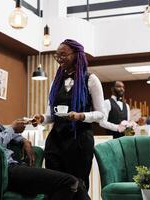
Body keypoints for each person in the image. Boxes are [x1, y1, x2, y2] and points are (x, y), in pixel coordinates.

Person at [0, 76, 88, 200]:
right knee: (70, 183)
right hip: (4, 171)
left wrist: (24, 140)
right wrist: (12, 128)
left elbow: (5, 132)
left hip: (12, 166)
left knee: (77, 184)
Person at [35, 39, 104, 193]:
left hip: (79, 140)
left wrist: (81, 116)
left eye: (63, 55)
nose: (59, 59)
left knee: (77, 186)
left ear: (76, 55)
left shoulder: (91, 79)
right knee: (54, 184)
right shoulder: (56, 82)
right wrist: (42, 119)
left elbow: (101, 114)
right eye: (57, 55)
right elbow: (51, 115)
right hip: (56, 140)